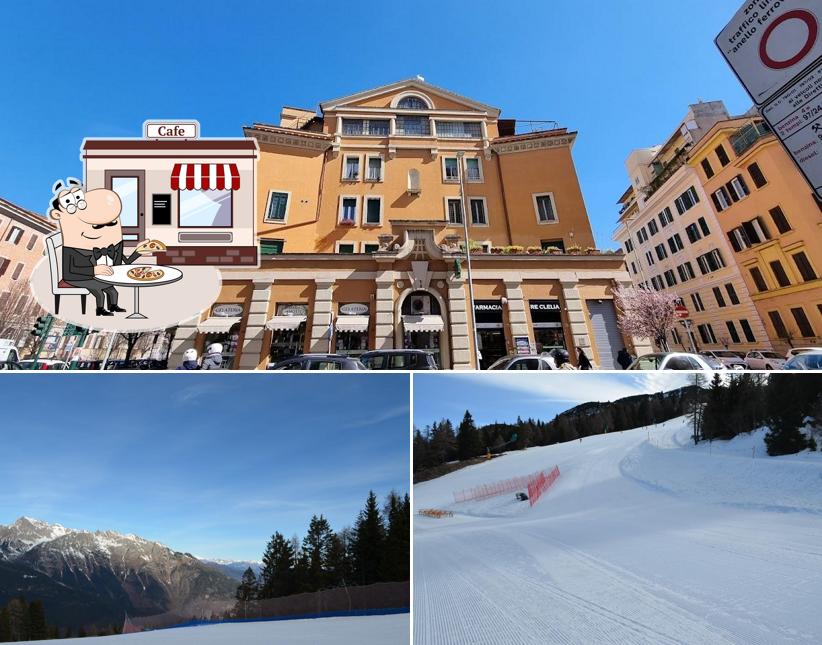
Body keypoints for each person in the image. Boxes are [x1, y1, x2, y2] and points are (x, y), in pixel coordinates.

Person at [48, 178, 151, 316]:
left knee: (112, 290)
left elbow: (124, 262)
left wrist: (139, 251)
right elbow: (69, 271)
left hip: (98, 275)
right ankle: (100, 309)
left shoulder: (112, 246)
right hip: (77, 277)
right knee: (99, 290)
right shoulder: (72, 249)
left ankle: (113, 306)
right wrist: (94, 270)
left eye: (111, 223)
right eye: (97, 225)